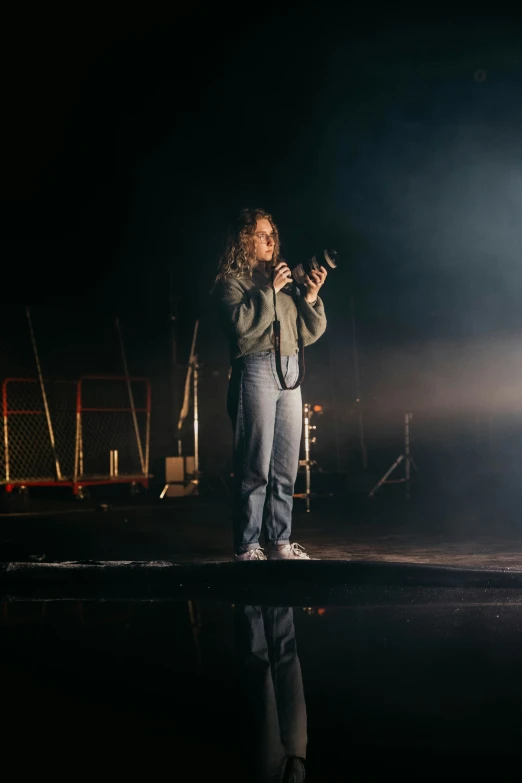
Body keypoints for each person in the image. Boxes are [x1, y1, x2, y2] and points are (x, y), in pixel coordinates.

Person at [214, 208, 327, 561]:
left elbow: (310, 332)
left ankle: (279, 542)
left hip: (290, 372)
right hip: (256, 368)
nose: (269, 240)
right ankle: (248, 546)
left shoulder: (285, 283)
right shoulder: (231, 283)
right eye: (261, 234)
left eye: (271, 234)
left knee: (284, 466)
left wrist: (308, 297)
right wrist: (269, 291)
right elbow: (240, 326)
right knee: (255, 464)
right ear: (244, 240)